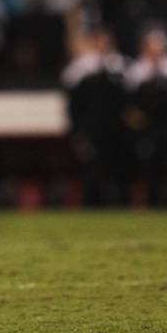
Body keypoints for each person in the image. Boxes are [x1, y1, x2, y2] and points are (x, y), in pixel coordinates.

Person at [60, 28, 130, 206]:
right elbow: (72, 101)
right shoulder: (81, 69)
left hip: (116, 127)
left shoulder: (121, 65)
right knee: (92, 167)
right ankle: (92, 203)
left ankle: (119, 202)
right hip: (91, 127)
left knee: (116, 167)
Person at [124, 29, 167, 206]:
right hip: (148, 128)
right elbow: (131, 106)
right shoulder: (135, 71)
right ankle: (153, 202)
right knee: (150, 168)